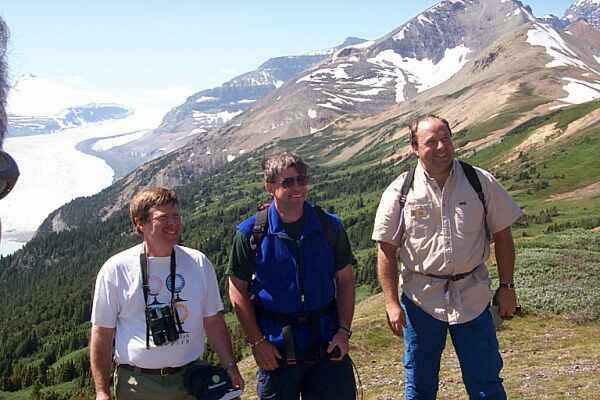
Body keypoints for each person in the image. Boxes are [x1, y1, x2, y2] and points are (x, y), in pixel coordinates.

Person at [372, 115, 522, 400]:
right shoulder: (400, 191)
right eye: (431, 142)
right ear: (414, 148)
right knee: (419, 385)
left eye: (446, 139)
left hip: (473, 298)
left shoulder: (479, 182)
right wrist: (391, 303)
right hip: (420, 302)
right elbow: (386, 250)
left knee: (486, 383)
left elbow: (503, 236)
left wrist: (507, 287)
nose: (442, 147)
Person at [90, 187, 244, 400]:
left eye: (176, 216)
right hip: (138, 385)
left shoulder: (198, 262)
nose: (174, 223)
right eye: (163, 218)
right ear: (140, 223)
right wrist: (101, 391)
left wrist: (230, 366)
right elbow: (102, 333)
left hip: (192, 379)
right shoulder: (116, 269)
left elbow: (214, 321)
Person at [228, 152, 357, 399]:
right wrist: (257, 343)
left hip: (327, 344)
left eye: (301, 179)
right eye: (287, 182)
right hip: (276, 351)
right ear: (270, 186)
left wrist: (343, 331)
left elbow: (346, 280)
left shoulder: (329, 226)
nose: (297, 187)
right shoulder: (250, 233)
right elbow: (236, 290)